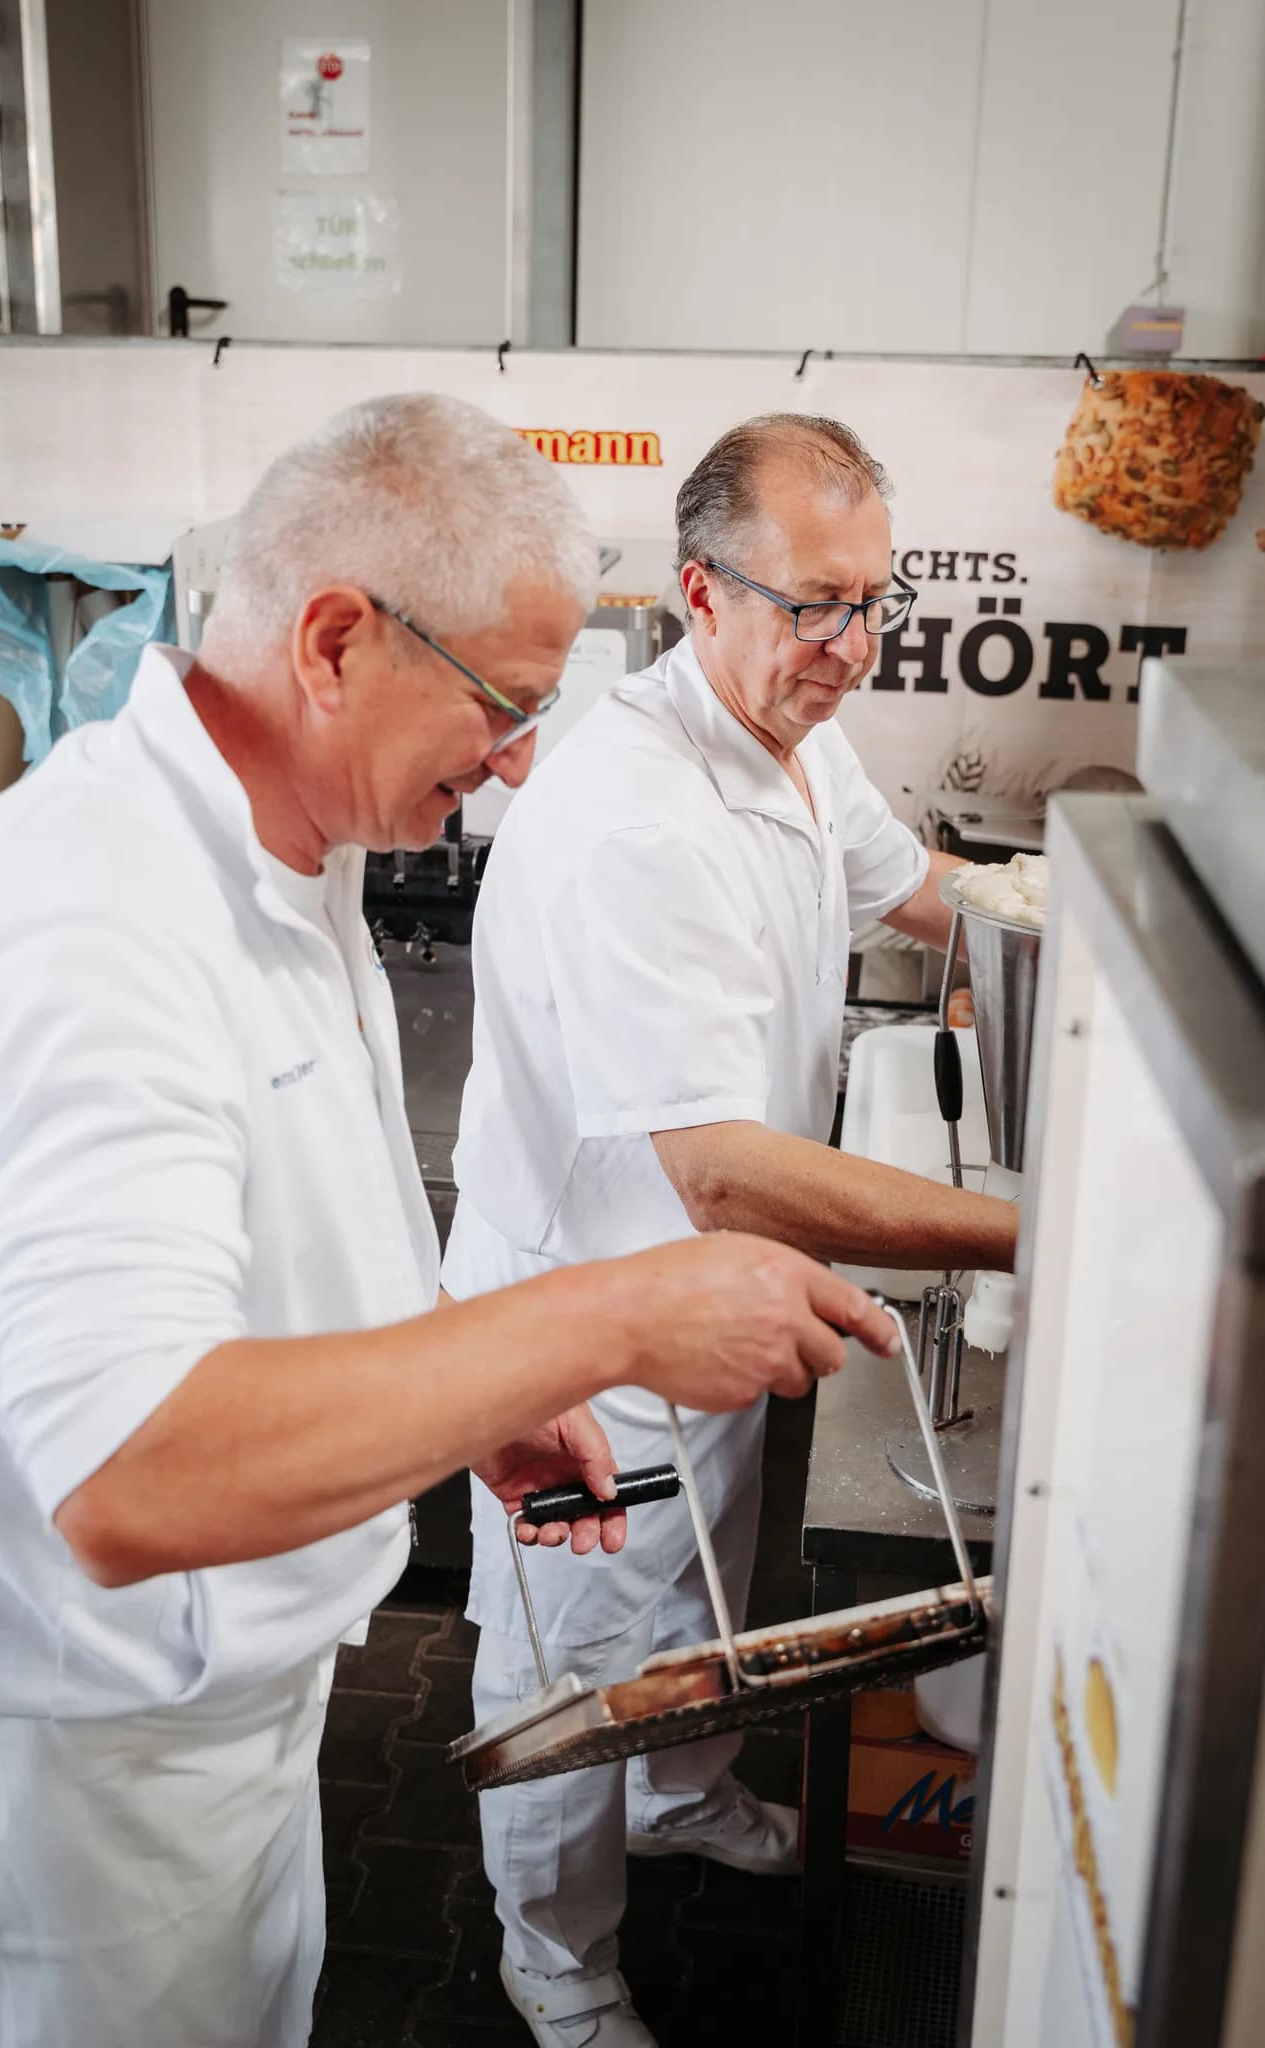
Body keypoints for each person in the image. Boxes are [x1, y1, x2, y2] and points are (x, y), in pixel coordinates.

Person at [0, 395, 900, 2048]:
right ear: (336, 639)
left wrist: (472, 1402)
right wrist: (603, 1319)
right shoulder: (96, 930)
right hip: (93, 1732)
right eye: (504, 706)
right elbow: (129, 1471)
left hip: (234, 1682)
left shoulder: (289, 853)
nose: (518, 762)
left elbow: (267, 1280)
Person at [443, 412, 1019, 2047]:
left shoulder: (792, 720)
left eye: (873, 601)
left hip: (700, 1298)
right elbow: (723, 1173)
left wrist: (1037, 944)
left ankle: (682, 1800)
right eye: (814, 604)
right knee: (574, 1665)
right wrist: (1022, 1235)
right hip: (582, 1319)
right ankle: (553, 1957)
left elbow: (909, 885)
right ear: (703, 591)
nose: (852, 644)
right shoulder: (636, 810)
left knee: (698, 1599)